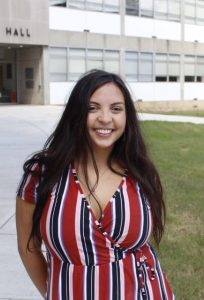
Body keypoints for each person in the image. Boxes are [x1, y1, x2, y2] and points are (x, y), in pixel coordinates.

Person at [15, 70, 174, 300]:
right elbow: (27, 248)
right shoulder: (42, 175)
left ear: (126, 117)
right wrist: (56, 292)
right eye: (93, 108)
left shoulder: (142, 173)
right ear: (77, 114)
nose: (105, 118)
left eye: (116, 109)